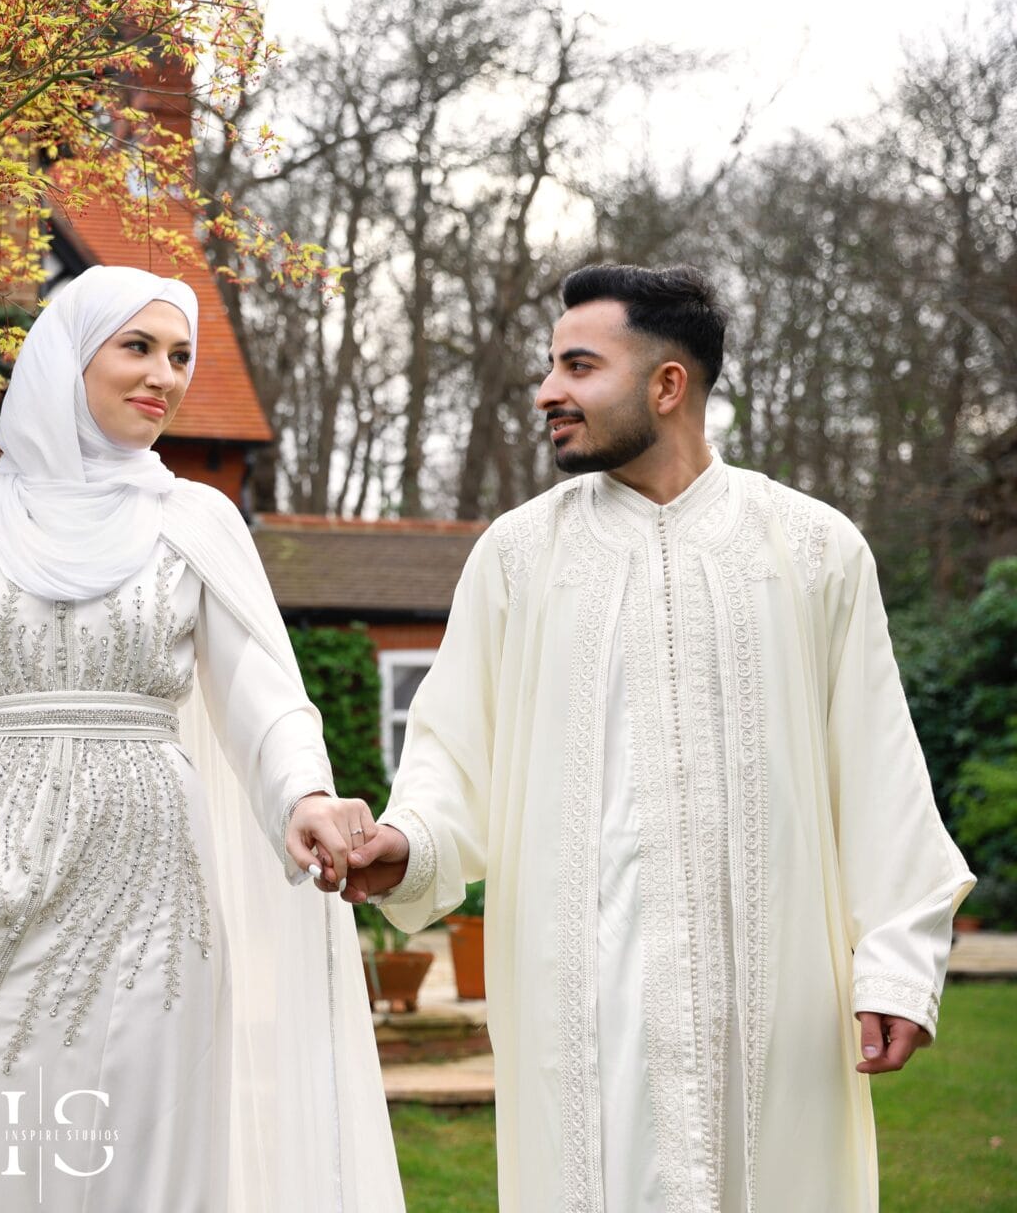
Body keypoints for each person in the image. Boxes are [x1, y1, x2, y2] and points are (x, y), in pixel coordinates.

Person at [0, 265, 405, 1212]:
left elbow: (265, 694)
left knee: (128, 1126)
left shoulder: (200, 520)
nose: (165, 377)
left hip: (143, 883)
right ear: (67, 358)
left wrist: (302, 795)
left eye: (181, 357)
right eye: (137, 348)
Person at [345, 263, 975, 1212]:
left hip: (775, 1008)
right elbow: (451, 755)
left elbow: (878, 767)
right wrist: (406, 844)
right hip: (582, 1004)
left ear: (667, 384)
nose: (549, 392)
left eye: (578, 366)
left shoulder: (812, 549)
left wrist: (894, 963)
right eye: (551, 367)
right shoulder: (518, 558)